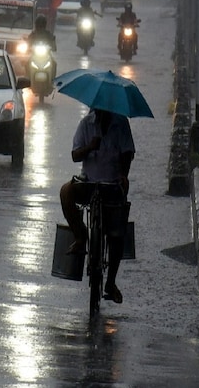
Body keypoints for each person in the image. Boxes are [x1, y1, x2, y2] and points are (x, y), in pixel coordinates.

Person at [59, 108, 135, 304]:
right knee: (66, 191)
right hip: (89, 183)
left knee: (116, 234)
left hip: (112, 185)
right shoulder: (86, 124)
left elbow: (128, 152)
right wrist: (90, 147)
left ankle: (110, 282)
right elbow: (75, 155)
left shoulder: (121, 124)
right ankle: (80, 236)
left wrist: (123, 176)